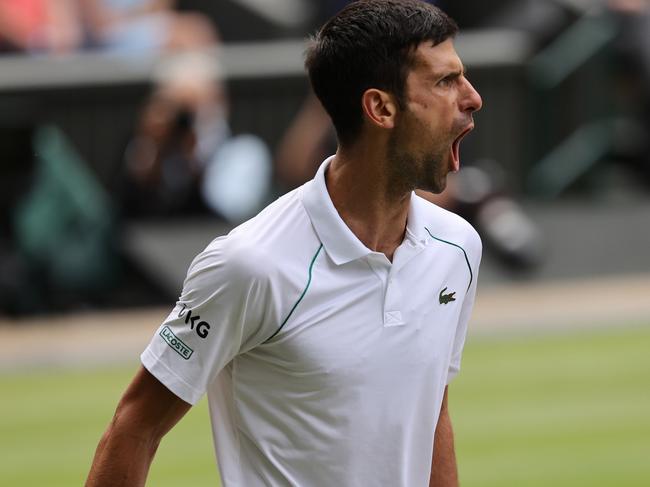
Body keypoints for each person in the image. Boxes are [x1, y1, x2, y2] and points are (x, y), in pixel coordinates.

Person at [85, 1, 483, 486]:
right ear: (381, 107)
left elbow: (430, 410)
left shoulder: (458, 248)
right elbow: (134, 428)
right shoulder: (248, 265)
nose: (472, 97)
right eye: (445, 81)